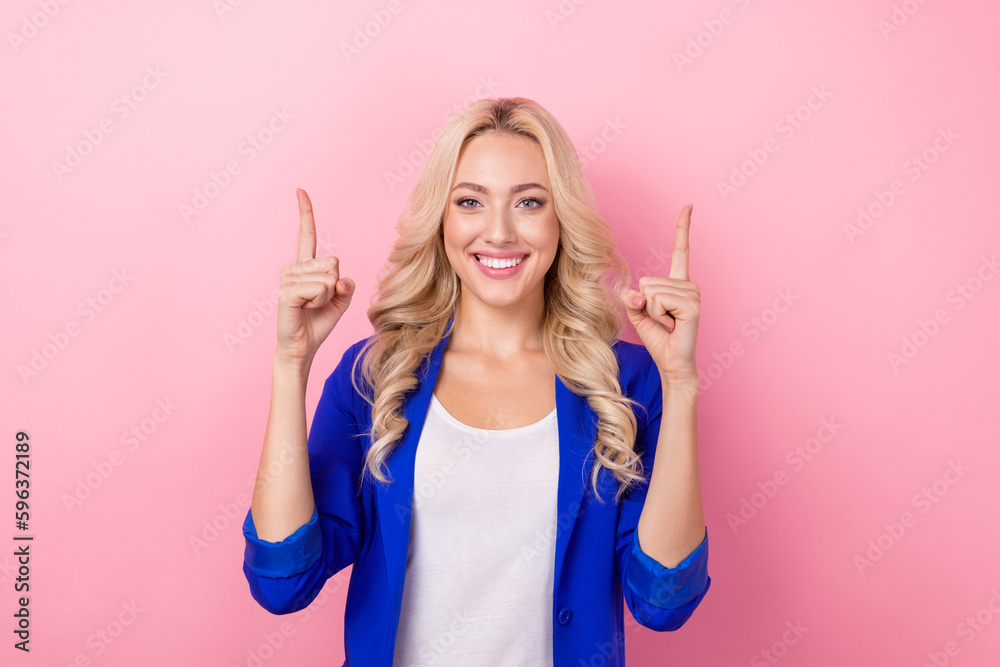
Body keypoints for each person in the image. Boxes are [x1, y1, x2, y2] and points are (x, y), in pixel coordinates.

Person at [242, 97, 711, 666]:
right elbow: (283, 580)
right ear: (442, 220)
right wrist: (291, 363)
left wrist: (681, 381)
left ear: (561, 219)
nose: (499, 231)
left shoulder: (627, 382)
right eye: (470, 201)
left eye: (529, 202)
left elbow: (665, 600)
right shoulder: (375, 376)